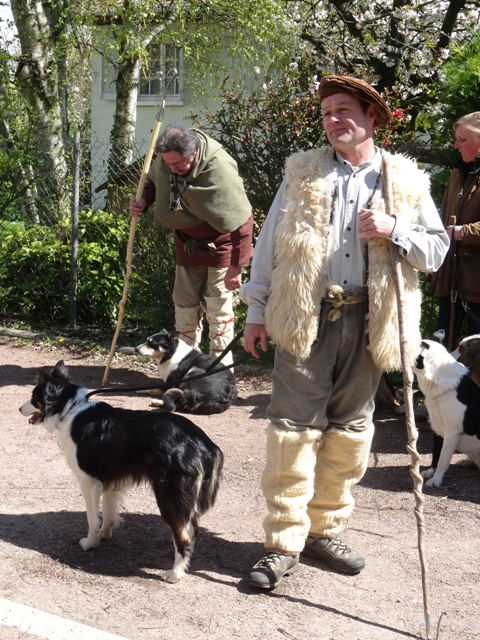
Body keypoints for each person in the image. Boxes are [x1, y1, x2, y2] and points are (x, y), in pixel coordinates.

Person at [239, 75, 449, 589]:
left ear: (372, 116)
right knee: (292, 430)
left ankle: (324, 529)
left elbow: (437, 251)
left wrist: (394, 229)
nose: (334, 120)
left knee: (351, 433)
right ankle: (283, 542)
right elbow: (269, 246)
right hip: (306, 317)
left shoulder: (405, 180)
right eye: (327, 112)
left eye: (344, 111)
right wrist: (255, 311)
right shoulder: (303, 173)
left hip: (372, 320)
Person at [130, 125, 253, 365]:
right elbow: (155, 182)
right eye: (169, 165)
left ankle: (220, 371)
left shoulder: (219, 168)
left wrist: (236, 266)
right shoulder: (168, 161)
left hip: (222, 247)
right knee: (184, 308)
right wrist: (143, 200)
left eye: (178, 165)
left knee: (219, 309)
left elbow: (243, 219)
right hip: (187, 245)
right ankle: (184, 367)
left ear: (194, 153)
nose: (172, 170)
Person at [431, 112, 480, 350]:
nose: (456, 145)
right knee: (439, 347)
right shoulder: (457, 173)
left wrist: (464, 232)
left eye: (463, 139)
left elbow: (458, 230)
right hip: (451, 279)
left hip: (477, 284)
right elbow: (442, 219)